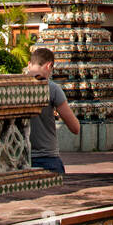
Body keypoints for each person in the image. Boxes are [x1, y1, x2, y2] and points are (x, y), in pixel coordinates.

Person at [24, 46, 80, 174]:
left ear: (29, 64)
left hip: (19, 158)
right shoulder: (52, 88)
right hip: (46, 158)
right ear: (49, 66)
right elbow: (75, 128)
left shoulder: (14, 87)